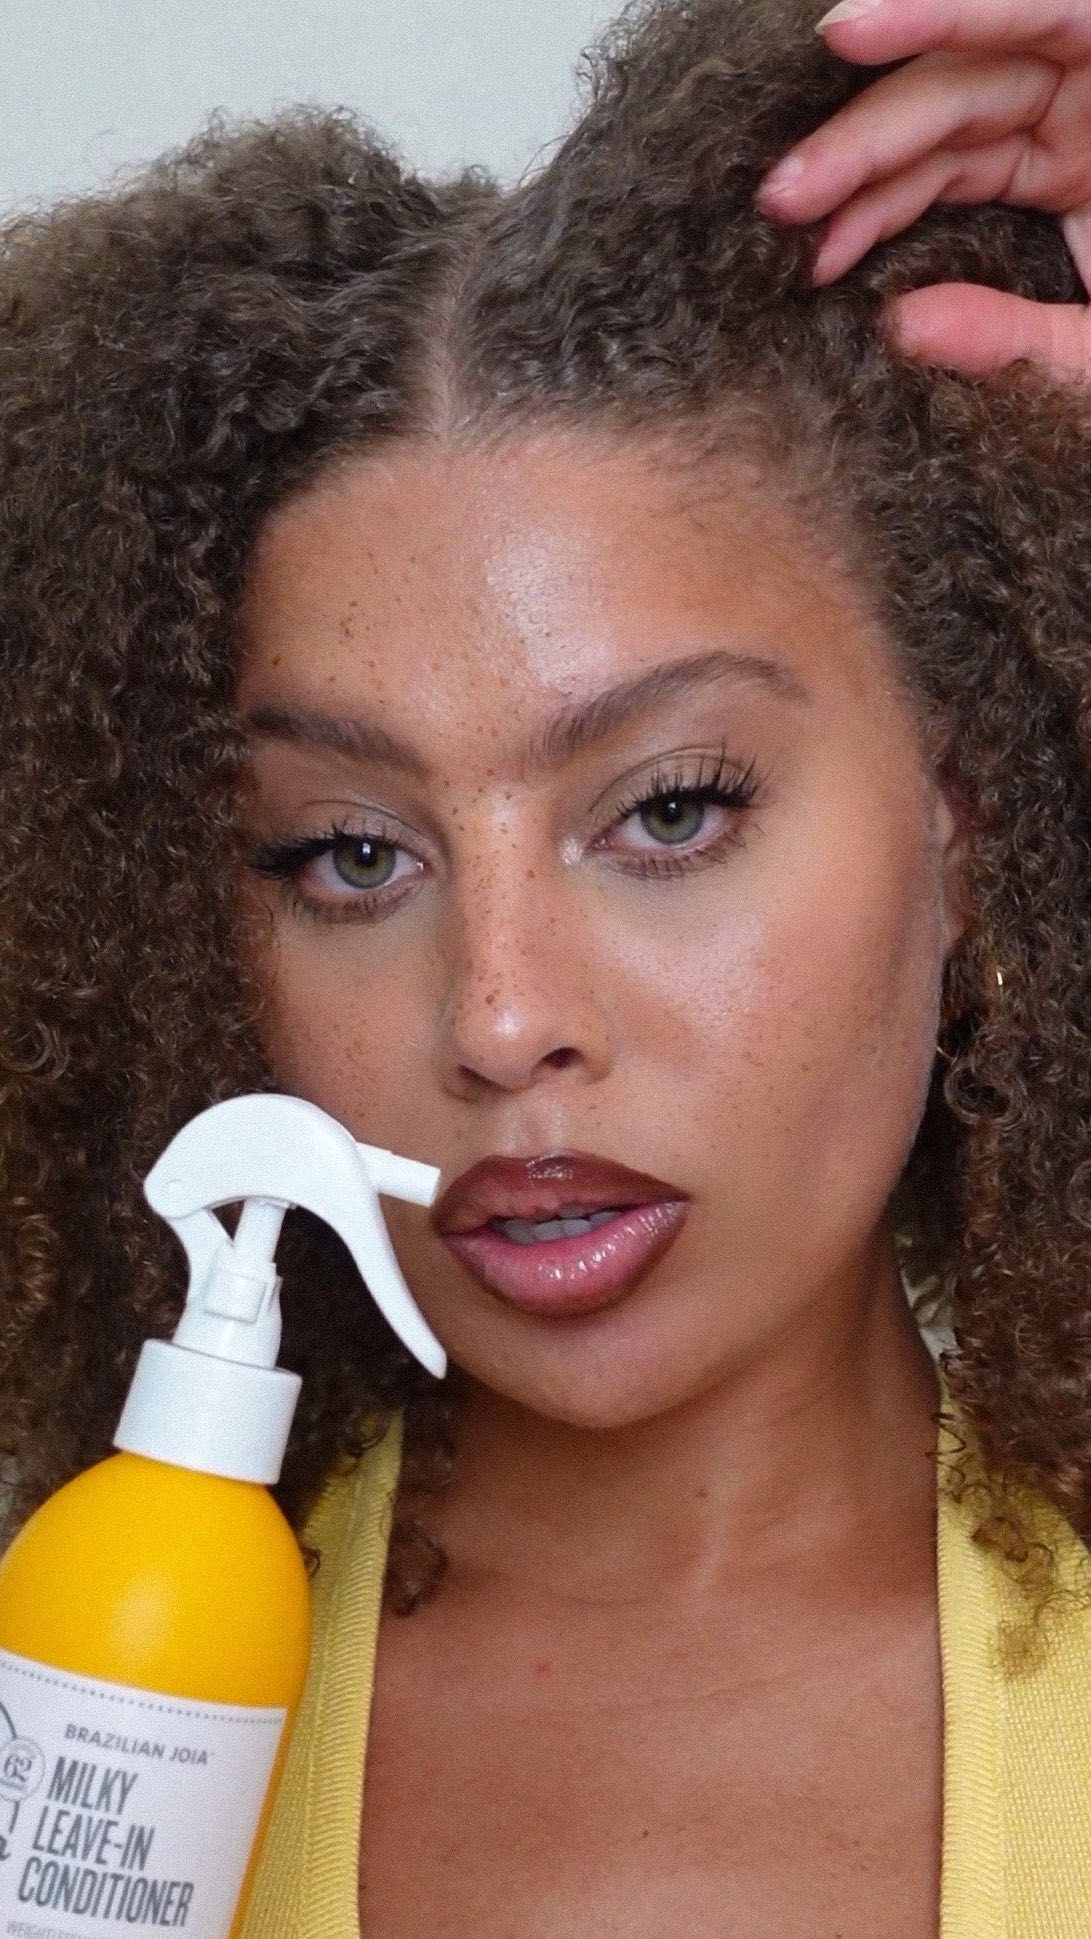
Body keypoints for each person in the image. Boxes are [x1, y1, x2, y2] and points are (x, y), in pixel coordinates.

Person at [2, 1, 1091, 1934]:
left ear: (967, 827)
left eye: (669, 810)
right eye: (351, 855)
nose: (502, 1019)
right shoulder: (88, 1710)